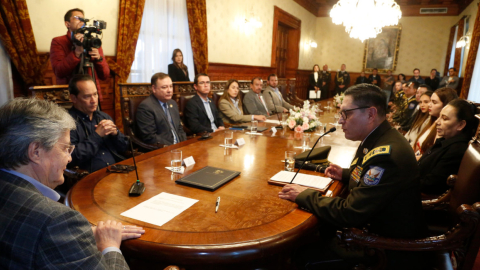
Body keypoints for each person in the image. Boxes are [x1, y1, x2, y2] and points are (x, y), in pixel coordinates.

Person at [278, 84, 426, 269]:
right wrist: (346, 174)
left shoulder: (386, 154)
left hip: (383, 247)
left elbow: (349, 213)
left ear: (371, 114)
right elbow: (372, 179)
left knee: (296, 251)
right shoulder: (380, 138)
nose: (340, 121)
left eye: (346, 114)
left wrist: (304, 194)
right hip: (374, 226)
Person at [0, 98, 144, 269]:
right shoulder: (57, 220)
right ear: (36, 152)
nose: (69, 158)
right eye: (65, 148)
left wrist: (74, 237)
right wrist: (110, 246)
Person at [68, 74, 128, 174]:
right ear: (74, 98)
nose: (94, 100)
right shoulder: (67, 123)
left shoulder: (104, 117)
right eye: (87, 96)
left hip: (116, 170)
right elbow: (71, 156)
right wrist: (97, 136)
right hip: (89, 176)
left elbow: (124, 147)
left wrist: (115, 134)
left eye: (95, 94)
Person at [418, 99, 478, 195]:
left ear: (461, 125)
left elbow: (430, 185)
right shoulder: (445, 141)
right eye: (439, 117)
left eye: (444, 119)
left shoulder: (457, 150)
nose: (437, 122)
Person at [50, 8, 110, 101]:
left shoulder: (92, 41)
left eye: (83, 19)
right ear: (67, 24)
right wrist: (76, 53)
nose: (82, 21)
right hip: (69, 96)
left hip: (91, 96)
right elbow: (59, 71)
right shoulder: (59, 42)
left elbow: (105, 75)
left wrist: (99, 59)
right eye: (77, 18)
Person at [136, 72, 187, 146]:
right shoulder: (146, 107)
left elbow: (179, 128)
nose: (169, 90)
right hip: (163, 149)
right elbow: (149, 137)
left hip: (180, 147)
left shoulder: (172, 103)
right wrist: (172, 147)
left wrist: (184, 144)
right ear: (154, 89)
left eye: (171, 86)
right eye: (164, 87)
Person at [413, 88, 458, 158]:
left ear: (445, 106)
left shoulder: (443, 129)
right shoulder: (433, 121)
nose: (429, 105)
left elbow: (431, 156)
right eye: (430, 101)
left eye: (434, 102)